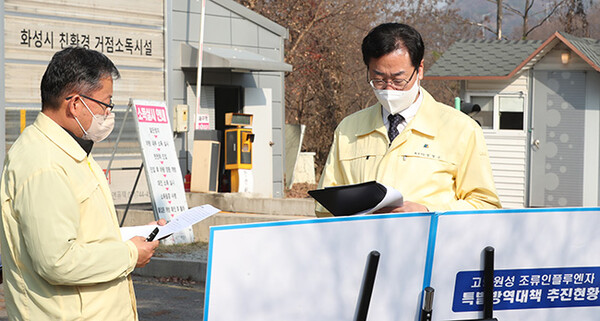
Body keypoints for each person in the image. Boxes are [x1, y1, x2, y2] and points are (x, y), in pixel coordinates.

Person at [0, 47, 160, 320]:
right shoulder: (44, 163)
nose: (109, 113)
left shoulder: (68, 150)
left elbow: (83, 231)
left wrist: (141, 234)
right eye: (105, 104)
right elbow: (57, 261)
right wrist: (130, 254)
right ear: (75, 104)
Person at [316, 23, 501, 216]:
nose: (389, 89)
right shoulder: (348, 128)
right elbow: (324, 209)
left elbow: (485, 205)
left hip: (430, 244)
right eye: (378, 79)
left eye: (398, 80)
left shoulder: (461, 129)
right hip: (364, 244)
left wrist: (428, 210)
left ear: (419, 69)